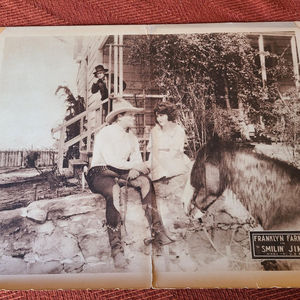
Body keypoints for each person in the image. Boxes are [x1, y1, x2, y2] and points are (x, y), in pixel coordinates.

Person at [85, 98, 173, 269]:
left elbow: (137, 160)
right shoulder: (106, 133)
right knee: (114, 191)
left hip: (122, 171)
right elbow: (112, 160)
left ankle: (157, 232)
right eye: (130, 115)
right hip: (101, 172)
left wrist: (138, 170)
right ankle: (116, 249)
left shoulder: (131, 137)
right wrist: (135, 166)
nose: (134, 118)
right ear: (119, 117)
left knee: (145, 182)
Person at [147, 101, 191, 181]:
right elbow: (152, 150)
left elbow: (175, 152)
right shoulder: (155, 131)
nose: (159, 119)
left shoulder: (178, 130)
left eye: (161, 116)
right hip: (156, 159)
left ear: (169, 115)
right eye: (157, 116)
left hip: (174, 160)